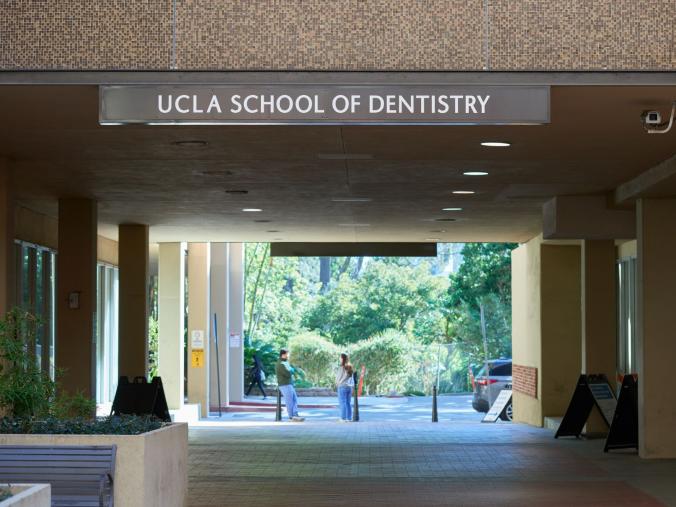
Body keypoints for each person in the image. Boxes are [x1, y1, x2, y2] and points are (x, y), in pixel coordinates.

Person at [275, 349, 304, 422]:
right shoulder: (280, 364)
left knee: (294, 399)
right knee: (289, 401)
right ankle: (291, 416)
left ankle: (295, 414)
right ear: (283, 354)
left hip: (289, 384)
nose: (288, 356)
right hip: (284, 385)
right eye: (287, 354)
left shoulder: (285, 362)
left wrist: (291, 370)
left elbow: (291, 370)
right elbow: (288, 374)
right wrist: (291, 370)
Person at [336, 352, 355, 422]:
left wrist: (337, 383)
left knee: (342, 402)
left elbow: (339, 377)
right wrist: (352, 387)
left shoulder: (342, 367)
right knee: (348, 403)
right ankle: (349, 418)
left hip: (342, 386)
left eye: (340, 357)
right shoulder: (350, 367)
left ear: (342, 358)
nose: (339, 359)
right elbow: (351, 378)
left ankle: (343, 418)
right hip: (349, 387)